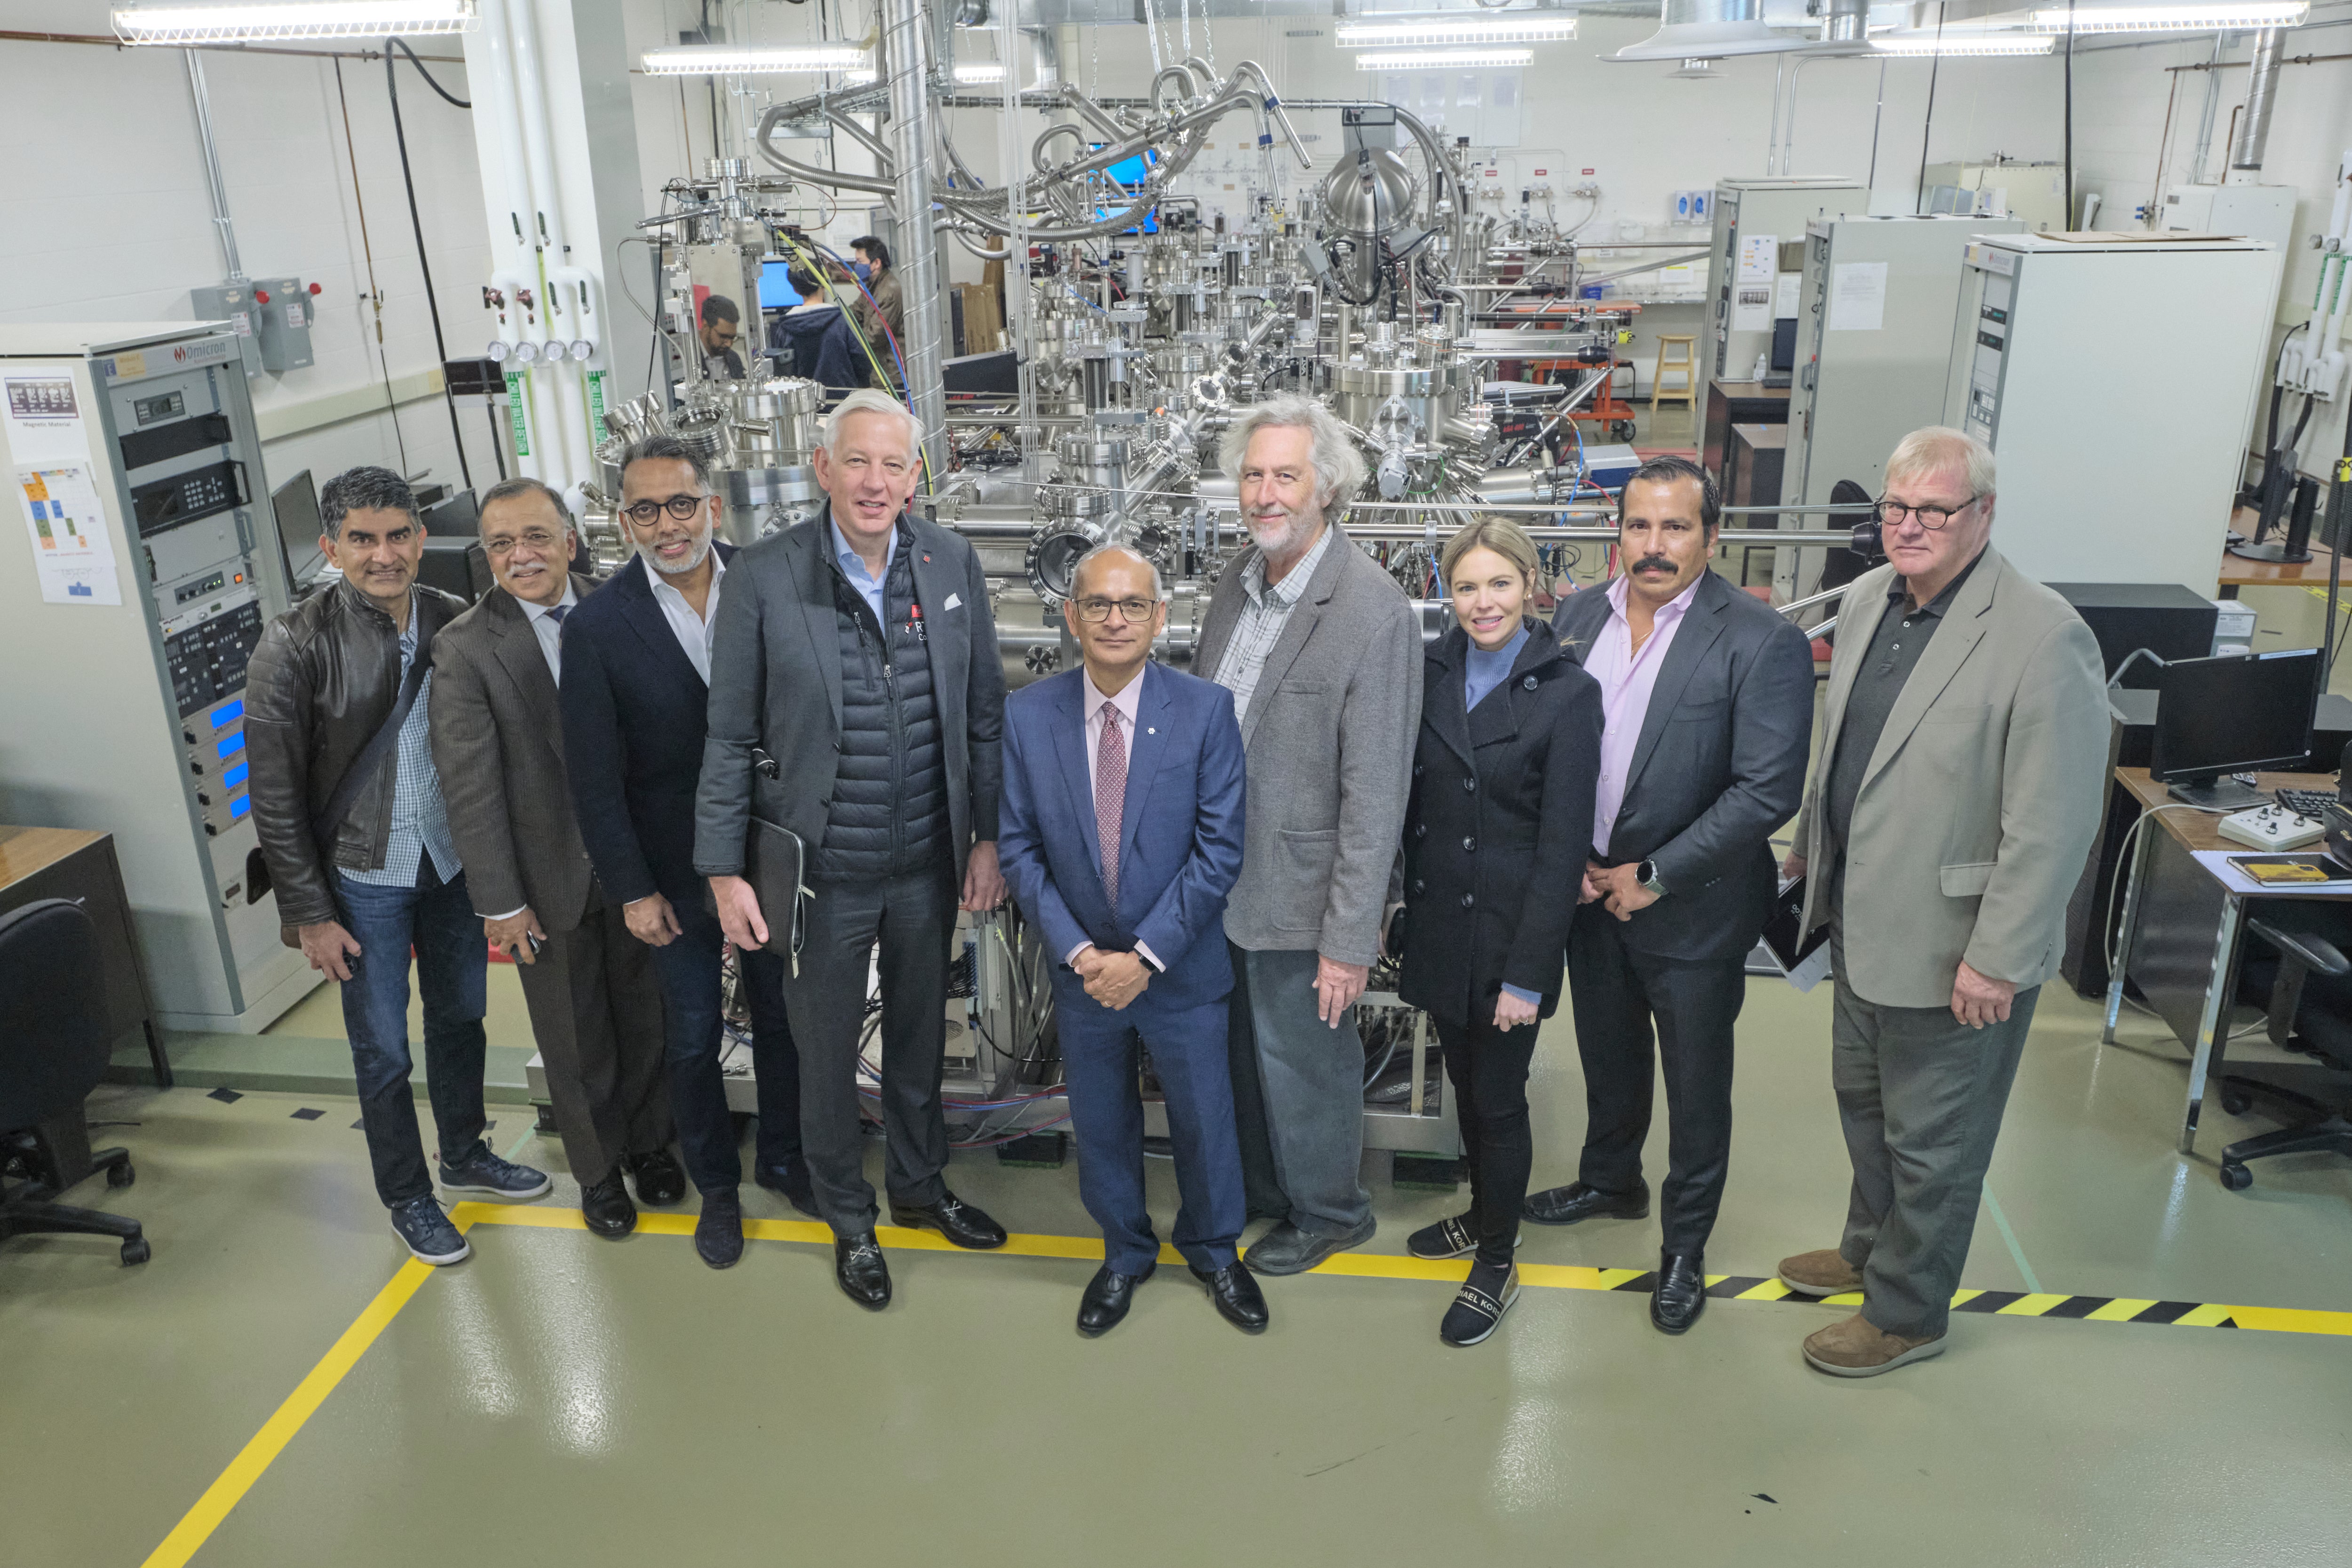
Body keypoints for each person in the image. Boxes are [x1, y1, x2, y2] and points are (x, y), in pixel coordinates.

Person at [1779, 426, 2106, 1376]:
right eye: (1895, 506)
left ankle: (1908, 1310)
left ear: (1983, 515)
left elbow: (2051, 824)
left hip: (1954, 941)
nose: (1909, 526)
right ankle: (1866, 1249)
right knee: (1865, 1104)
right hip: (1860, 915)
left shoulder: (2043, 637)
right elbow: (1847, 745)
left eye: (1934, 510)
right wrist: (1811, 849)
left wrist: (1997, 955)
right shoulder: (1875, 594)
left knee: (1933, 1140)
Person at [697, 388, 1009, 1312]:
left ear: (917, 476)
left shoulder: (951, 561)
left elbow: (984, 714)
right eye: (858, 461)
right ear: (824, 469)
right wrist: (721, 870)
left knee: (920, 1037)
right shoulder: (762, 575)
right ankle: (849, 1213)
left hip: (926, 860)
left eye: (894, 464)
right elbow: (725, 735)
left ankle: (917, 1187)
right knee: (826, 1049)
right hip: (818, 873)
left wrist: (987, 836)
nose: (876, 481)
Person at [1521, 456, 1817, 1335]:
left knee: (1696, 1082)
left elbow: (1767, 791)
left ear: (1712, 536)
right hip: (1591, 890)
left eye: (1675, 527)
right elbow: (1549, 744)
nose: (1653, 547)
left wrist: (1653, 875)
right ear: (1618, 531)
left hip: (1691, 904)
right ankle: (1613, 1178)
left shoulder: (1763, 641)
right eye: (1639, 526)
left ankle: (1685, 1243)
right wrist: (1569, 853)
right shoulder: (1577, 617)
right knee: (1608, 1052)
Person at [246, 466, 549, 1267]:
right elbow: (273, 795)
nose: (384, 555)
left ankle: (464, 1154)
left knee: (462, 1018)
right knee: (383, 1047)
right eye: (362, 539)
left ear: (421, 537)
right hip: (361, 876)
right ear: (331, 547)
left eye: (397, 535)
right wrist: (308, 913)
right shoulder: (294, 642)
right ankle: (408, 1195)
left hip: (450, 867)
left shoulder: (456, 618)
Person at [998, 544, 1265, 1337]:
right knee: (1101, 1119)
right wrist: (1083, 954)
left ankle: (1216, 1250)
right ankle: (1123, 1250)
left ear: (1162, 616)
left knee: (1204, 1116)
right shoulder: (1029, 714)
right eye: (1101, 604)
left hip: (1177, 968)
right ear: (1071, 616)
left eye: (1135, 605)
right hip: (1083, 972)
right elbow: (1018, 847)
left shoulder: (1205, 710)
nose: (1117, 619)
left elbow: (1220, 851)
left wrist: (1145, 956)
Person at [559, 436, 806, 1271]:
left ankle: (783, 1156)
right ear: (621, 519)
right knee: (693, 1033)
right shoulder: (597, 626)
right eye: (643, 509)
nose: (665, 525)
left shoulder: (779, 580)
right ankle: (719, 1187)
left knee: (783, 1020)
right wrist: (632, 888)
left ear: (713, 504)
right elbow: (595, 780)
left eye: (679, 503)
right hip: (673, 871)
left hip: (776, 859)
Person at [1192, 394, 1421, 1277]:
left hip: (1303, 888)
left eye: (1285, 474)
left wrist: (1350, 935)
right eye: (1252, 474)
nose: (1264, 492)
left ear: (1326, 485)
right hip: (1221, 880)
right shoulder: (1236, 580)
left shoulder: (1373, 611)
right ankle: (1266, 1189)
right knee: (1246, 1057)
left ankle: (1331, 1208)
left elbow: (1377, 794)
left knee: (1306, 1061)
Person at [428, 478, 681, 1239]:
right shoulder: (467, 648)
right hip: (548, 876)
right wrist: (501, 903)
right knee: (575, 1039)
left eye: (536, 536)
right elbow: (469, 789)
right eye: (502, 544)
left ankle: (651, 1144)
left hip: (639, 865)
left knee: (648, 1019)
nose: (521, 555)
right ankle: (601, 1172)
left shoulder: (626, 605)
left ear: (570, 540)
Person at [1393, 520, 1602, 1347]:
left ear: (1530, 584)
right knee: (1463, 1087)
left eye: (1500, 585)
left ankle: (1498, 1259)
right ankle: (1483, 1212)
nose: (1484, 603)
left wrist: (1528, 972)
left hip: (1513, 929)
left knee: (1497, 1097)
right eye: (1468, 586)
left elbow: (1562, 850)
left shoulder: (1566, 693)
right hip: (1444, 918)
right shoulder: (1432, 667)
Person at [774, 265, 866, 396]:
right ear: (824, 284)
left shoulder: (785, 327)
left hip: (803, 403)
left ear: (795, 290)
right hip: (841, 402)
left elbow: (781, 372)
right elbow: (862, 362)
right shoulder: (843, 321)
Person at [849, 235, 904, 388]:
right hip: (880, 372)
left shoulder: (889, 292)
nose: (856, 266)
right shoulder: (873, 287)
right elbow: (854, 311)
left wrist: (849, 336)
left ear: (877, 263)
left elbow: (874, 337)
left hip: (893, 377)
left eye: (860, 262)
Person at [698, 295, 747, 380]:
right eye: (723, 337)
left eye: (732, 338)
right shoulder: (689, 359)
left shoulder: (733, 359)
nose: (729, 344)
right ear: (706, 326)